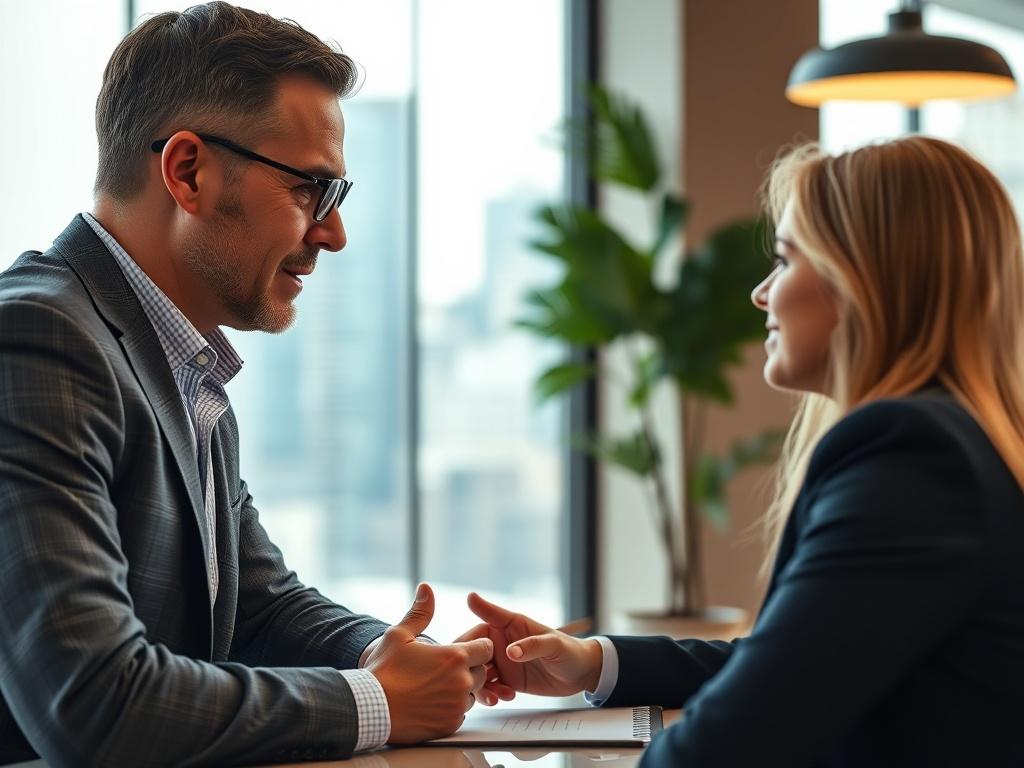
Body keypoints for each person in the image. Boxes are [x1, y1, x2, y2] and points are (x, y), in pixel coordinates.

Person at [0, 3, 493, 766]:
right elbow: (93, 700)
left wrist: (393, 655)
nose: (333, 233)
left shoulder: (180, 361)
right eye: (310, 191)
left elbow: (259, 607)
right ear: (188, 171)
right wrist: (379, 703)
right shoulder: (38, 341)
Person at [459, 136, 1024, 766]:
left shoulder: (913, 457)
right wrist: (593, 662)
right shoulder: (966, 440)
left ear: (861, 280)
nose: (761, 293)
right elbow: (802, 662)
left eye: (784, 261)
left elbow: (738, 739)